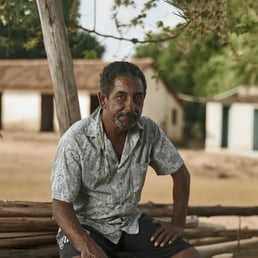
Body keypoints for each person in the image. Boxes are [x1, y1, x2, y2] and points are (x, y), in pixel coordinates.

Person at [51, 61, 200, 258]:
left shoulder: (149, 131)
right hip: (86, 225)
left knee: (188, 256)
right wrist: (85, 244)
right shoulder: (76, 139)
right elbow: (60, 205)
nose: (130, 106)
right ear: (103, 99)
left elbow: (181, 174)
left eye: (137, 98)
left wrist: (177, 223)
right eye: (121, 97)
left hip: (129, 223)